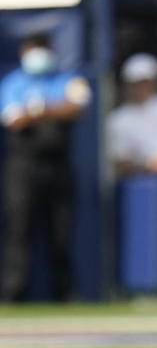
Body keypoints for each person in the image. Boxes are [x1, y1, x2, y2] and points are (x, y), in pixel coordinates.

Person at [0, 34, 90, 302]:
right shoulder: (13, 83)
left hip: (58, 165)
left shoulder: (66, 79)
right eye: (33, 49)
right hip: (23, 167)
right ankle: (13, 295)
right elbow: (14, 120)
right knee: (19, 231)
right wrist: (53, 110)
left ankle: (64, 294)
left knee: (61, 234)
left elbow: (77, 107)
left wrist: (37, 111)